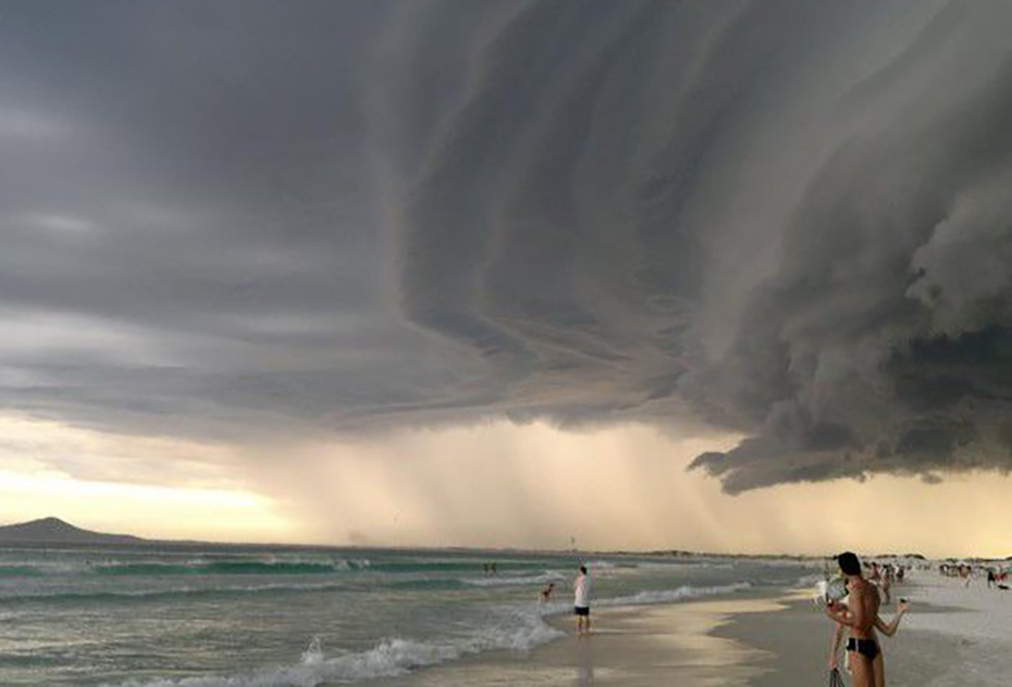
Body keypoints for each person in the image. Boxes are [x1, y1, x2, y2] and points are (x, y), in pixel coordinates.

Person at [824, 552, 881, 687]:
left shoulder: (852, 595)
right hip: (873, 643)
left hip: (856, 645)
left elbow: (840, 630)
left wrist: (833, 656)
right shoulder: (869, 589)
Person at [830, 599, 910, 687]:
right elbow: (838, 632)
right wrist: (833, 656)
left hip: (874, 648)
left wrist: (899, 612)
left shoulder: (868, 607)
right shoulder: (845, 605)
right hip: (856, 648)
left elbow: (888, 631)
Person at [574, 565, 591, 635]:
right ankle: (587, 630)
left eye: (579, 571)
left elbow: (574, 586)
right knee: (586, 616)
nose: (578, 572)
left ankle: (579, 631)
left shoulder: (579, 578)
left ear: (581, 571)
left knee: (579, 616)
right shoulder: (589, 579)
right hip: (586, 599)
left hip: (579, 599)